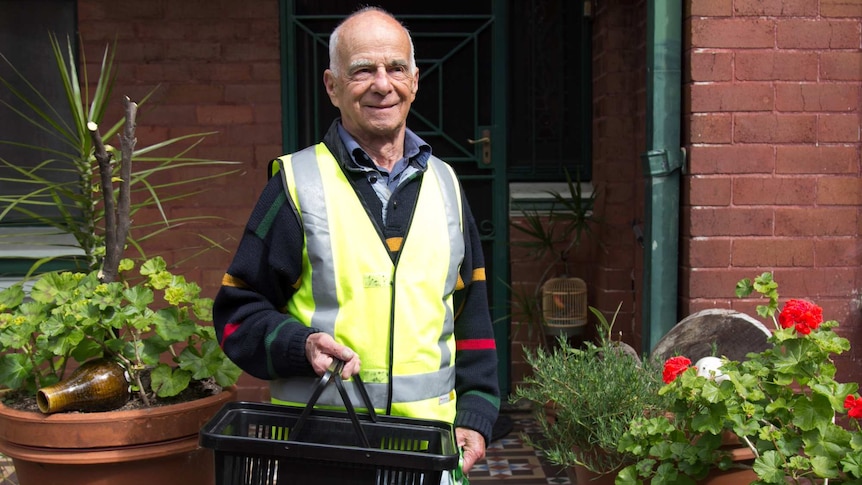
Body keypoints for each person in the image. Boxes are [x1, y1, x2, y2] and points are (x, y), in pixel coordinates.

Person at [213, 6, 500, 478]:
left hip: (429, 452)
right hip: (323, 452)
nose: (382, 84)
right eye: (363, 70)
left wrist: (477, 413)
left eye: (396, 68)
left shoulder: (446, 184)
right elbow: (236, 313)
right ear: (332, 86)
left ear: (415, 80)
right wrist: (299, 346)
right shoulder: (296, 184)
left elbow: (473, 312)